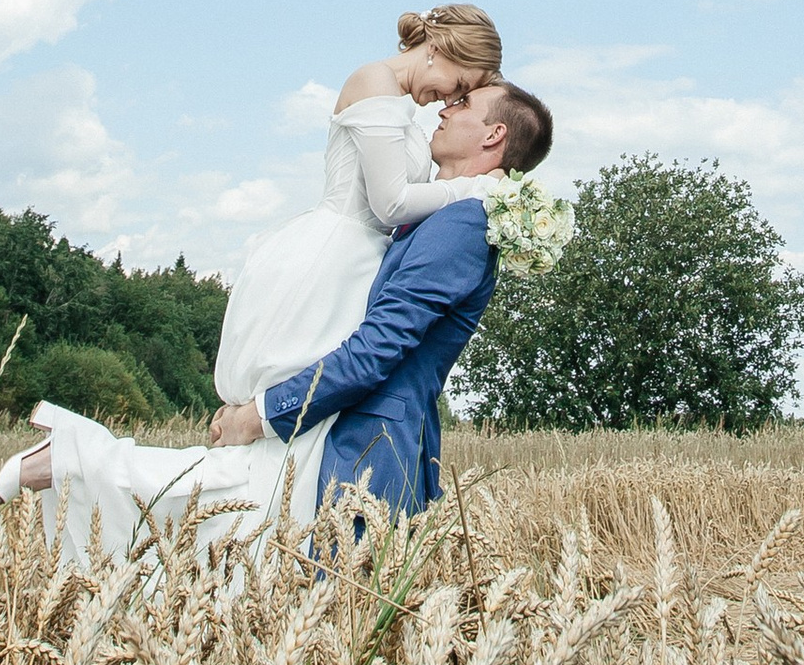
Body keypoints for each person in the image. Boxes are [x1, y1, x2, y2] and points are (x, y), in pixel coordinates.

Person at [0, 6, 508, 563]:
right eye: (460, 85)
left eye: (463, 97)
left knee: (286, 456)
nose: (448, 101)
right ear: (445, 51)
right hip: (328, 262)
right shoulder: (373, 80)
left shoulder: (403, 108)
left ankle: (82, 466)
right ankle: (78, 464)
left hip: (354, 269)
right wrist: (478, 191)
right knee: (281, 435)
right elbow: (391, 202)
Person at [210, 74, 553, 519]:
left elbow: (377, 347)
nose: (444, 109)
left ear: (494, 134)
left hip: (366, 453)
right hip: (340, 435)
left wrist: (260, 416)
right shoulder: (437, 215)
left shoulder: (464, 225)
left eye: (463, 104)